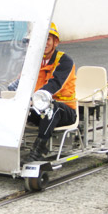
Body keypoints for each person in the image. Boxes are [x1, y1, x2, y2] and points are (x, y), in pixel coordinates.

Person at [23, 22, 77, 163]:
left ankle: (39, 151)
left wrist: (34, 99)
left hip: (66, 111)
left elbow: (55, 84)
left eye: (47, 39)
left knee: (51, 107)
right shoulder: (34, 61)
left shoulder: (65, 61)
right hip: (38, 107)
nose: (44, 43)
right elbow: (22, 82)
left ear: (55, 42)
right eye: (41, 39)